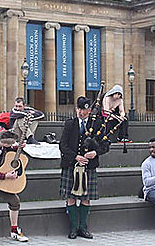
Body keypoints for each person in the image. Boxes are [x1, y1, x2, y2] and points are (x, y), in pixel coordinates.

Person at [59, 96, 109, 239]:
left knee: (86, 198)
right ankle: (74, 228)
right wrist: (76, 157)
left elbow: (106, 145)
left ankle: (83, 228)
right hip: (71, 165)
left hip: (89, 167)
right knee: (70, 197)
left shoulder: (98, 124)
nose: (81, 112)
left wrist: (96, 152)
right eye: (79, 109)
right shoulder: (70, 124)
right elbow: (63, 145)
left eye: (84, 109)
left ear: (90, 110)